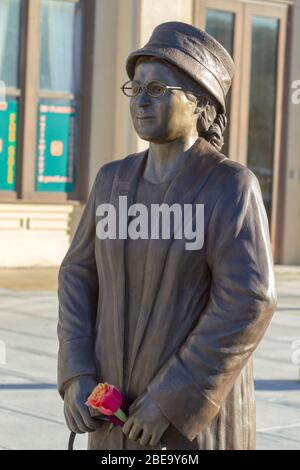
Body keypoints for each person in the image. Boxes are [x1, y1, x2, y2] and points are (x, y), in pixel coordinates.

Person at [57, 21, 277, 450]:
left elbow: (249, 301)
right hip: (112, 415)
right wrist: (77, 372)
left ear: (200, 104)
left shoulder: (229, 186)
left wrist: (171, 399)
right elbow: (78, 276)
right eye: (135, 88)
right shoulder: (111, 181)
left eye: (158, 89)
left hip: (189, 427)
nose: (140, 100)